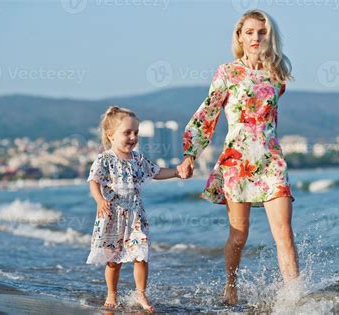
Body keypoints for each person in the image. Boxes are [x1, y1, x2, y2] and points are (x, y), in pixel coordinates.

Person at [177, 9, 299, 305]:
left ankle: (296, 299)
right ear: (239, 37)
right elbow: (209, 112)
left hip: (271, 160)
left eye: (262, 32)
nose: (256, 37)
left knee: (284, 232)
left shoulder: (278, 72)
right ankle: (230, 286)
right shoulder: (227, 72)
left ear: (270, 35)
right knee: (239, 235)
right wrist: (190, 153)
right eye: (250, 32)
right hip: (237, 160)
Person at [87, 106, 180, 311]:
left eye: (136, 133)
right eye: (127, 133)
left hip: (136, 216)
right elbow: (93, 181)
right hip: (113, 215)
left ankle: (141, 294)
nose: (132, 137)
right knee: (114, 260)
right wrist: (100, 201)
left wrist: (177, 172)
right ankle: (112, 293)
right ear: (111, 136)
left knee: (141, 254)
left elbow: (156, 172)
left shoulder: (138, 158)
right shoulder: (105, 159)